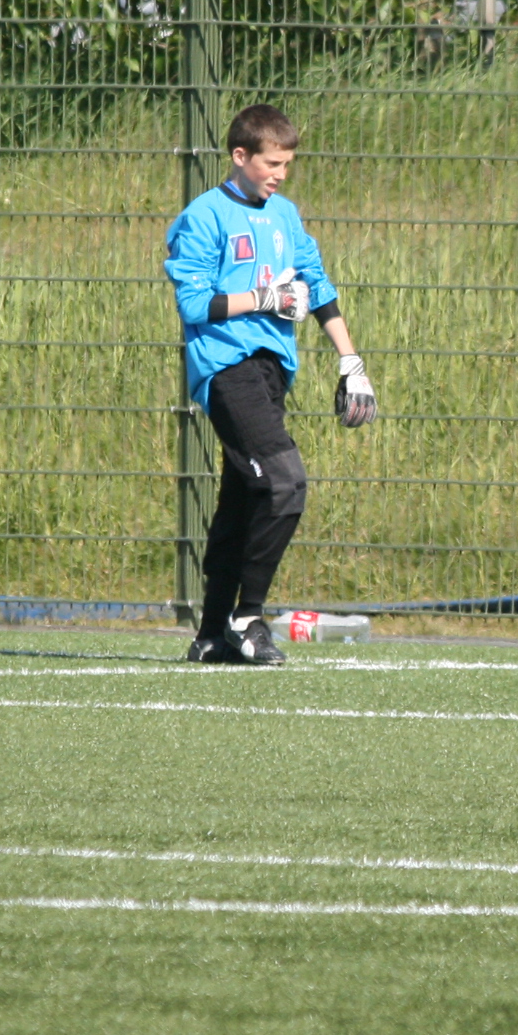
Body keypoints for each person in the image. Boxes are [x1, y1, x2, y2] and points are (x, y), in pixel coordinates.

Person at [164, 103, 378, 666]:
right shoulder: (205, 216)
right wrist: (264, 299)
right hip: (225, 368)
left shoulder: (285, 215)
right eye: (271, 163)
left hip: (271, 370)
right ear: (240, 156)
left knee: (244, 497)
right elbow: (194, 304)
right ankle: (248, 616)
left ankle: (211, 636)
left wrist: (350, 361)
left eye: (287, 164)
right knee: (285, 483)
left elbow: (317, 284)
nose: (280, 174)